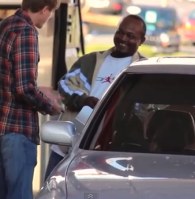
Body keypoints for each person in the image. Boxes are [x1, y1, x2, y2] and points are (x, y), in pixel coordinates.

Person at [44, 14, 147, 180]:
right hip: (71, 142)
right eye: (120, 32)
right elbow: (65, 84)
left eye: (130, 36)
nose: (123, 38)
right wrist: (84, 101)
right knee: (54, 190)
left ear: (142, 40)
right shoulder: (90, 61)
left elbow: (147, 108)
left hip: (113, 150)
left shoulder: (143, 69)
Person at [0, 1, 61, 199]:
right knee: (19, 193)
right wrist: (51, 105)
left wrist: (39, 92)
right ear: (44, 9)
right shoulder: (26, 32)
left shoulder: (4, 25)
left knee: (0, 192)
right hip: (17, 129)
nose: (48, 17)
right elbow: (25, 89)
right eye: (50, 13)